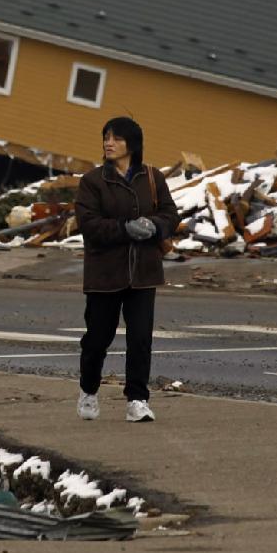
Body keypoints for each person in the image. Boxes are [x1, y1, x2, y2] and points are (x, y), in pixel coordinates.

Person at [74, 116, 178, 422]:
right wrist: (125, 229)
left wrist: (154, 225)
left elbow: (171, 214)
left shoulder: (153, 178)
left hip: (144, 272)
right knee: (97, 338)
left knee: (141, 338)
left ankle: (137, 399)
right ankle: (89, 390)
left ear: (132, 144)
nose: (109, 143)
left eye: (116, 138)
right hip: (105, 273)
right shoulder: (92, 181)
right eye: (106, 137)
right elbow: (89, 225)